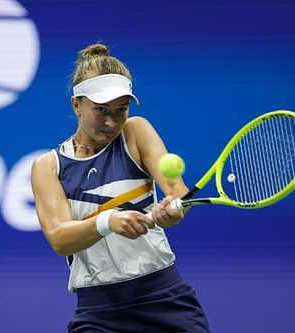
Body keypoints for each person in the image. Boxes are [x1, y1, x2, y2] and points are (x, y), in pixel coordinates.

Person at [31, 43, 211, 333]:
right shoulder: (48, 166)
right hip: (98, 314)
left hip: (164, 298)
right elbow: (59, 238)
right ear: (76, 104)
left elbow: (176, 190)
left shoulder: (135, 132)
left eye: (121, 109)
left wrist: (173, 210)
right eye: (100, 110)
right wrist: (109, 221)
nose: (112, 121)